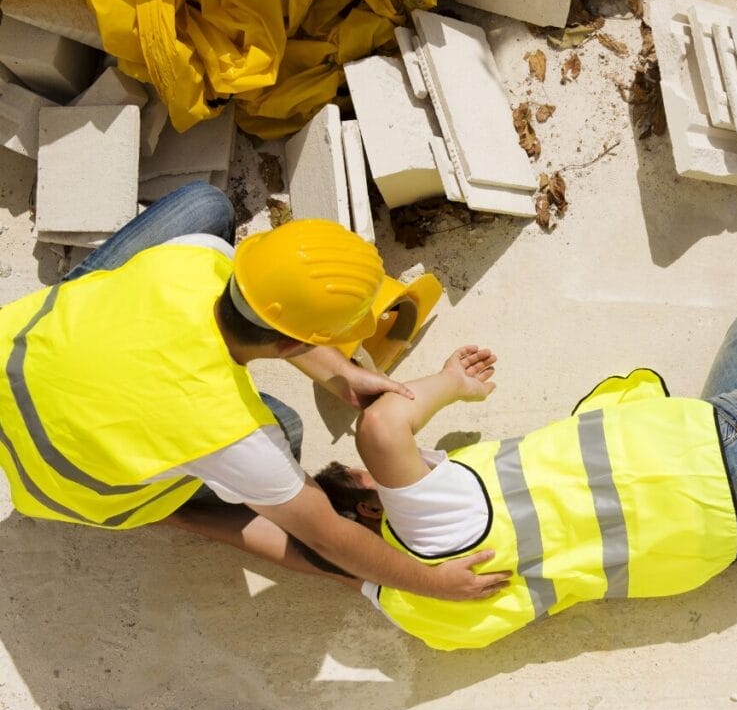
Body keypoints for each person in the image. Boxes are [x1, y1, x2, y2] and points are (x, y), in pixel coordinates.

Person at [299, 271, 737, 649]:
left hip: (713, 512)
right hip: (725, 464)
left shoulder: (409, 605)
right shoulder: (433, 525)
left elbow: (301, 545)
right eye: (381, 484)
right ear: (373, 508)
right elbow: (384, 429)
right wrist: (446, 385)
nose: (420, 461)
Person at [0, 180, 507, 601]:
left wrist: (342, 374)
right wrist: (433, 584)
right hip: (62, 483)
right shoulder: (233, 434)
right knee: (286, 429)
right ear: (292, 343)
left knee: (205, 206)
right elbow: (328, 537)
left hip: (17, 362)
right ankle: (162, 509)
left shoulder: (194, 259)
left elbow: (263, 311)